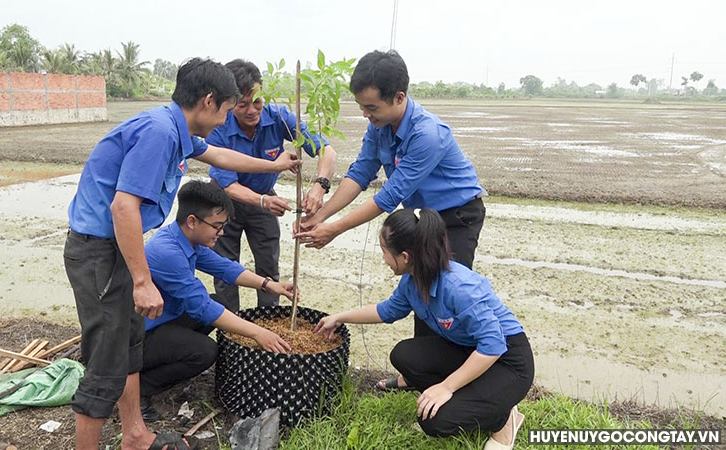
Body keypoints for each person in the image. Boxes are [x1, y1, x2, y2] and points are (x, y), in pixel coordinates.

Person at [64, 57, 301, 450]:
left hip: (121, 246)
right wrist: (142, 281)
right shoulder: (159, 133)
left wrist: (274, 164)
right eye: (227, 109)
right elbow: (123, 208)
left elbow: (222, 158)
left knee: (131, 343)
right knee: (107, 358)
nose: (227, 120)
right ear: (209, 101)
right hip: (100, 253)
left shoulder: (178, 130)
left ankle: (135, 435)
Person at [295, 50, 486, 339]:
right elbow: (360, 173)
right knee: (422, 285)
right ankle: (424, 365)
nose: (365, 114)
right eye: (361, 106)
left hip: (457, 216)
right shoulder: (379, 126)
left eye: (371, 107)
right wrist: (320, 216)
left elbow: (388, 197)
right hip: (424, 216)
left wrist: (333, 229)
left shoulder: (427, 134)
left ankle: (454, 370)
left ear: (399, 97)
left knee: (444, 291)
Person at [315, 208, 533, 449]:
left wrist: (446, 387)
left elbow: (493, 346)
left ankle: (503, 417)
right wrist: (339, 317)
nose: (384, 259)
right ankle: (480, 396)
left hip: (507, 360)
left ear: (405, 256)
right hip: (469, 349)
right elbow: (387, 311)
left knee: (435, 421)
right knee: (404, 355)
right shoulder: (413, 280)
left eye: (385, 252)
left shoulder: (460, 288)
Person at [139, 180, 294, 422]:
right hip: (138, 336)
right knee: (204, 351)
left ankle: (167, 361)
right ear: (192, 221)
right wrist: (258, 333)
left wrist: (269, 284)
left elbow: (224, 268)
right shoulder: (167, 252)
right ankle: (140, 388)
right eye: (217, 226)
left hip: (162, 320)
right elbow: (202, 308)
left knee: (219, 300)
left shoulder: (185, 238)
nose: (221, 233)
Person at [207, 59, 336, 312]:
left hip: (264, 201)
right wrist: (264, 201)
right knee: (225, 268)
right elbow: (229, 185)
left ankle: (268, 322)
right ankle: (229, 326)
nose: (252, 110)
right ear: (230, 102)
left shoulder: (279, 118)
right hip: (224, 202)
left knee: (268, 267)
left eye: (257, 101)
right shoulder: (218, 127)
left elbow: (326, 151)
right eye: (242, 104)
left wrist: (320, 185)